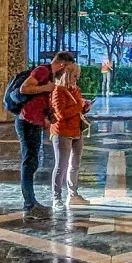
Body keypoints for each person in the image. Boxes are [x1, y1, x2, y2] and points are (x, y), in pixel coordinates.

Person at [16, 51, 75, 219]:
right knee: (29, 162)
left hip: (34, 122)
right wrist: (46, 87)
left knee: (32, 162)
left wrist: (48, 115)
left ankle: (31, 202)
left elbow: (41, 100)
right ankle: (29, 205)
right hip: (26, 121)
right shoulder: (43, 71)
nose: (65, 74)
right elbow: (24, 88)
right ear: (63, 65)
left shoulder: (49, 75)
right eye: (67, 69)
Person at [49, 62, 93, 210]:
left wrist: (85, 107)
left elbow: (77, 110)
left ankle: (73, 195)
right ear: (67, 75)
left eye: (78, 76)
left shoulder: (76, 90)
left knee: (75, 164)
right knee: (61, 165)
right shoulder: (57, 91)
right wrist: (79, 106)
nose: (76, 79)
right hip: (62, 132)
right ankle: (56, 198)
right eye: (75, 76)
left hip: (76, 131)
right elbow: (61, 114)